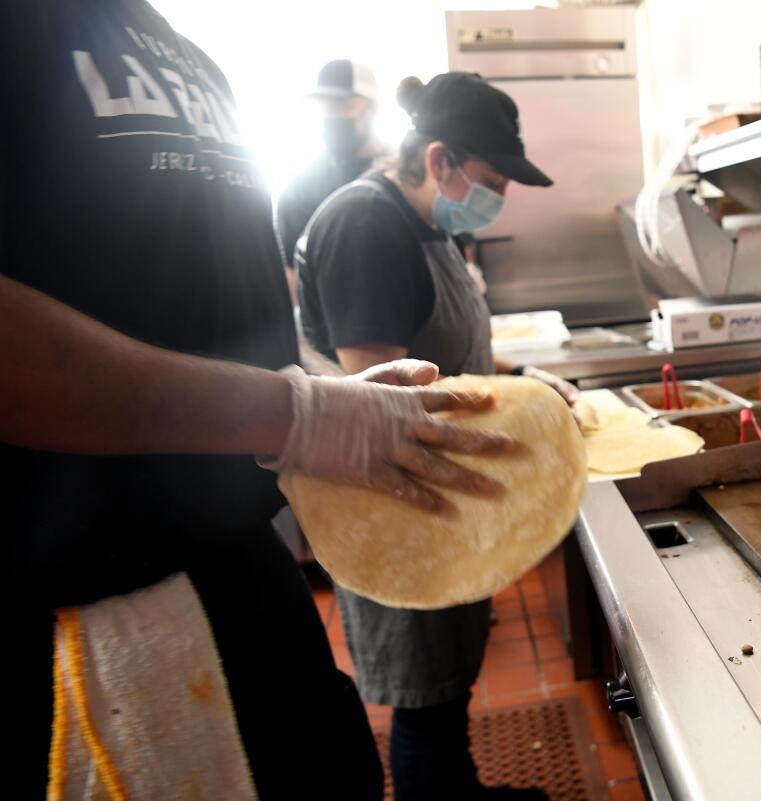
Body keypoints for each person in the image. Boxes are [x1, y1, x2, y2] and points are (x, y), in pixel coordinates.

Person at [3, 5, 513, 798]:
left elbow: (218, 305)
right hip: (86, 625)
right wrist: (295, 413)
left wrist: (315, 404)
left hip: (247, 576)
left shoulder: (188, 56)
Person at [297, 72, 578, 801]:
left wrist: (526, 380)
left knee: (449, 679)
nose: (499, 199)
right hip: (398, 498)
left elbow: (447, 344)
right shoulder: (364, 228)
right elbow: (385, 399)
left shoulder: (424, 221)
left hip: (441, 485)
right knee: (423, 693)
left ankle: (461, 790)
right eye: (492, 180)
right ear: (440, 159)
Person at [275, 59, 386, 304]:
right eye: (326, 107)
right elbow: (291, 271)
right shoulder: (301, 183)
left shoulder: (398, 171)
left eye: (344, 106)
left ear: (371, 108)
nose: (333, 117)